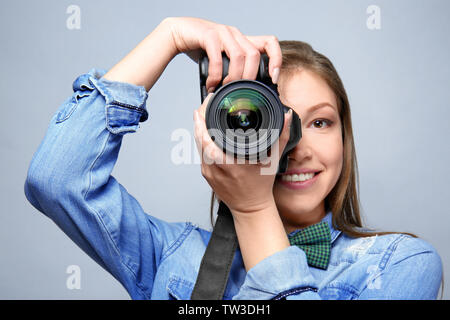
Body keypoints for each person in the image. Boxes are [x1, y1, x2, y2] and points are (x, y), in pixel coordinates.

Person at [24, 16, 443, 300]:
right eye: (273, 123)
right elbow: (57, 180)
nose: (296, 146)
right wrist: (167, 37)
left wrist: (253, 208)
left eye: (320, 123)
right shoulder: (171, 255)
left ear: (344, 138)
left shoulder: (400, 264)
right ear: (222, 136)